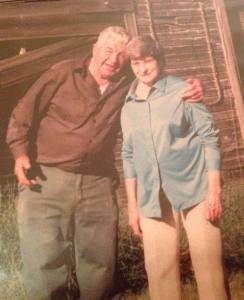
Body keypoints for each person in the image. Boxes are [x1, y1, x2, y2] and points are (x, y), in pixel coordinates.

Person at [6, 27, 203, 300]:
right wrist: (20, 154)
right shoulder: (62, 73)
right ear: (95, 48)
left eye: (122, 55)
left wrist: (190, 85)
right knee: (44, 261)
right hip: (46, 179)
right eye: (108, 51)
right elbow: (22, 112)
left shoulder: (127, 85)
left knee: (99, 263)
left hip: (97, 183)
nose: (114, 59)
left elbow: (159, 83)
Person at [121, 35, 228, 300]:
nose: (143, 69)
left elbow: (210, 140)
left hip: (196, 192)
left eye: (148, 61)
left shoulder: (184, 90)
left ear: (159, 60)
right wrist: (133, 205)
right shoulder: (128, 105)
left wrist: (214, 192)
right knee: (159, 274)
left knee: (210, 270)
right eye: (136, 62)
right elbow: (129, 154)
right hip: (152, 199)